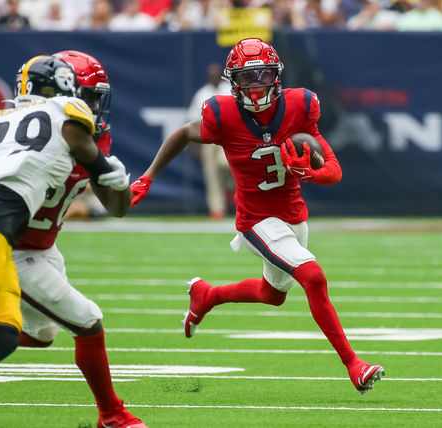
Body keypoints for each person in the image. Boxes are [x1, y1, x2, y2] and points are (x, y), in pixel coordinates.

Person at [130, 38, 385, 394]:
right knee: (313, 277)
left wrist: (307, 173)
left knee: (273, 293)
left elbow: (334, 170)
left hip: (293, 216)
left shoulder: (301, 105)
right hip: (255, 219)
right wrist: (147, 178)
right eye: (248, 77)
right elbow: (183, 133)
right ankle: (353, 364)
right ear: (233, 81)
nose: (257, 84)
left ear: (277, 76)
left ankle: (207, 296)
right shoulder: (222, 114)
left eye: (263, 75)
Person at [0, 50, 146, 428]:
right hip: (9, 244)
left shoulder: (71, 130)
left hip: (39, 244)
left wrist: (114, 180)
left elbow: (117, 204)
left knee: (30, 335)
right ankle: (113, 416)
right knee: (87, 321)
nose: (93, 106)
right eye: (88, 95)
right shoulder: (55, 122)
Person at [187, 63, 233, 220]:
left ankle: (230, 188)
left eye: (216, 74)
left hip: (228, 136)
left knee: (226, 163)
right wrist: (194, 144)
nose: (213, 77)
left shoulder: (229, 90)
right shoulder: (202, 94)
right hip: (207, 138)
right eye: (211, 75)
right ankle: (216, 208)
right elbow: (193, 121)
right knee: (211, 173)